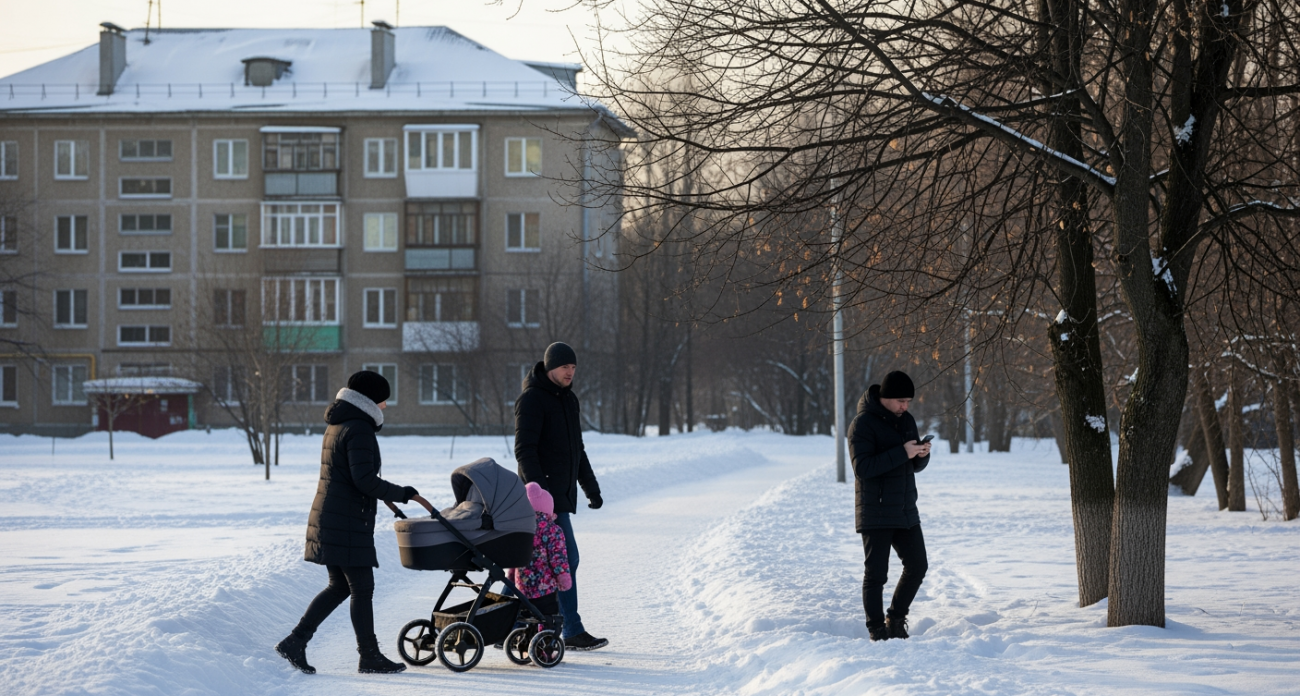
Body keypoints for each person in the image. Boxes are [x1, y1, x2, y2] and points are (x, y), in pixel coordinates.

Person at [275, 370, 431, 674]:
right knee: (361, 587)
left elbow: (351, 477)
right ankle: (368, 655)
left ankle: (295, 641)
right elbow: (364, 480)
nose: (385, 406)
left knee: (340, 587)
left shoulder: (339, 423)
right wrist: (403, 494)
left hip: (334, 515)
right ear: (370, 399)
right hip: (345, 520)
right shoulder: (359, 428)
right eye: (382, 399)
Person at [514, 342, 608, 651]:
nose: (570, 372)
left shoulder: (569, 399)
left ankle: (519, 623)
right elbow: (524, 451)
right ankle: (568, 628)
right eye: (565, 367)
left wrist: (591, 488)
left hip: (561, 498)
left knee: (538, 562)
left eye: (574, 367)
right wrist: (538, 493)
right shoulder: (531, 399)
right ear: (550, 367)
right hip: (541, 499)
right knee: (563, 559)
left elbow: (577, 449)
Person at [847, 370, 931, 642]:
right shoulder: (862, 424)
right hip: (876, 510)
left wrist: (920, 455)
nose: (905, 406)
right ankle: (876, 629)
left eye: (908, 401)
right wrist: (902, 452)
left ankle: (895, 619)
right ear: (885, 397)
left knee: (918, 566)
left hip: (905, 508)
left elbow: (911, 466)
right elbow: (863, 468)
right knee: (876, 575)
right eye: (900, 401)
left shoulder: (907, 420)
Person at [505, 482, 573, 620]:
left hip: (522, 587)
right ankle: (546, 633)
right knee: (547, 619)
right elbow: (558, 558)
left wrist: (511, 575)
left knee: (527, 619)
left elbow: (514, 556)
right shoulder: (553, 530)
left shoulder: (519, 530)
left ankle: (525, 633)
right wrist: (563, 579)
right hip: (545, 588)